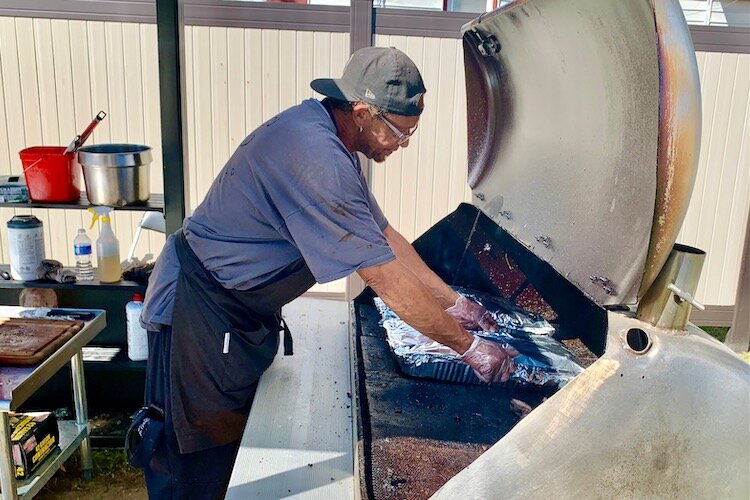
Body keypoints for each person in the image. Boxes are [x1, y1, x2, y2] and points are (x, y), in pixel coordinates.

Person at [126, 46, 518, 499]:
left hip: (232, 315)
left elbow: (386, 237)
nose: (402, 145)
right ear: (361, 112)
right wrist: (467, 347)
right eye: (399, 132)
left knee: (224, 457)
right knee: (189, 463)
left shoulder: (333, 141)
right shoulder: (317, 158)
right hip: (197, 312)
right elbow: (383, 277)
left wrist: (454, 302)